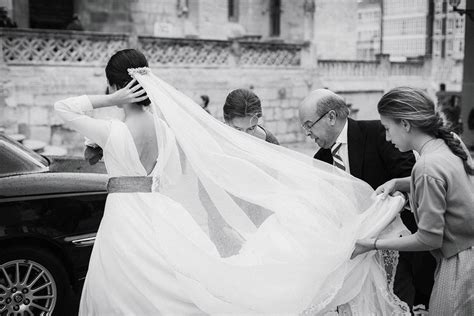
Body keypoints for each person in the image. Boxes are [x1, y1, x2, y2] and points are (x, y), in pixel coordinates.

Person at [55, 49, 409, 315]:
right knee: (169, 285)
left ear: (117, 85)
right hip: (155, 210)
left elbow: (64, 108)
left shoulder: (112, 130)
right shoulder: (163, 128)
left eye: (112, 87)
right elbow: (171, 175)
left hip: (124, 218)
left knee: (124, 286)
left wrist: (110, 102)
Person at [298, 88, 436, 312]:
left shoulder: (378, 133)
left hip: (397, 250)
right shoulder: (320, 159)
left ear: (331, 117)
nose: (307, 134)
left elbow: (412, 178)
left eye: (308, 124)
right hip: (354, 255)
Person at [352, 87, 474, 316]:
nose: (387, 138)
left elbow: (428, 238)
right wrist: (399, 182)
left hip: (458, 269)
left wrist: (373, 243)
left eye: (387, 129)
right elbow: (446, 178)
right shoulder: (449, 143)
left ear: (405, 124)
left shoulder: (426, 167)